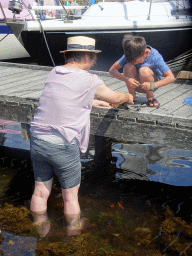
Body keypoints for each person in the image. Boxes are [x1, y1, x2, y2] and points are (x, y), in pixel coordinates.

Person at [30, 36, 134, 237]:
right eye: (93, 57)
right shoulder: (89, 79)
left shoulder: (54, 72)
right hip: (62, 143)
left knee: (40, 191)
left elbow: (63, 97)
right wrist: (128, 97)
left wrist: (91, 102)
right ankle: (73, 232)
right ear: (87, 56)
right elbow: (115, 97)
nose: (94, 61)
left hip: (38, 138)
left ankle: (40, 231)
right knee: (70, 197)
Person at [109, 34, 175, 107]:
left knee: (144, 70)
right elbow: (112, 70)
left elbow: (171, 77)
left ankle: (150, 97)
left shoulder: (155, 56)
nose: (135, 63)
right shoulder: (131, 52)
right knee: (128, 66)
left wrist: (153, 85)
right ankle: (132, 96)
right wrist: (127, 79)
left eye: (137, 61)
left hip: (152, 85)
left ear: (146, 53)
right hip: (137, 85)